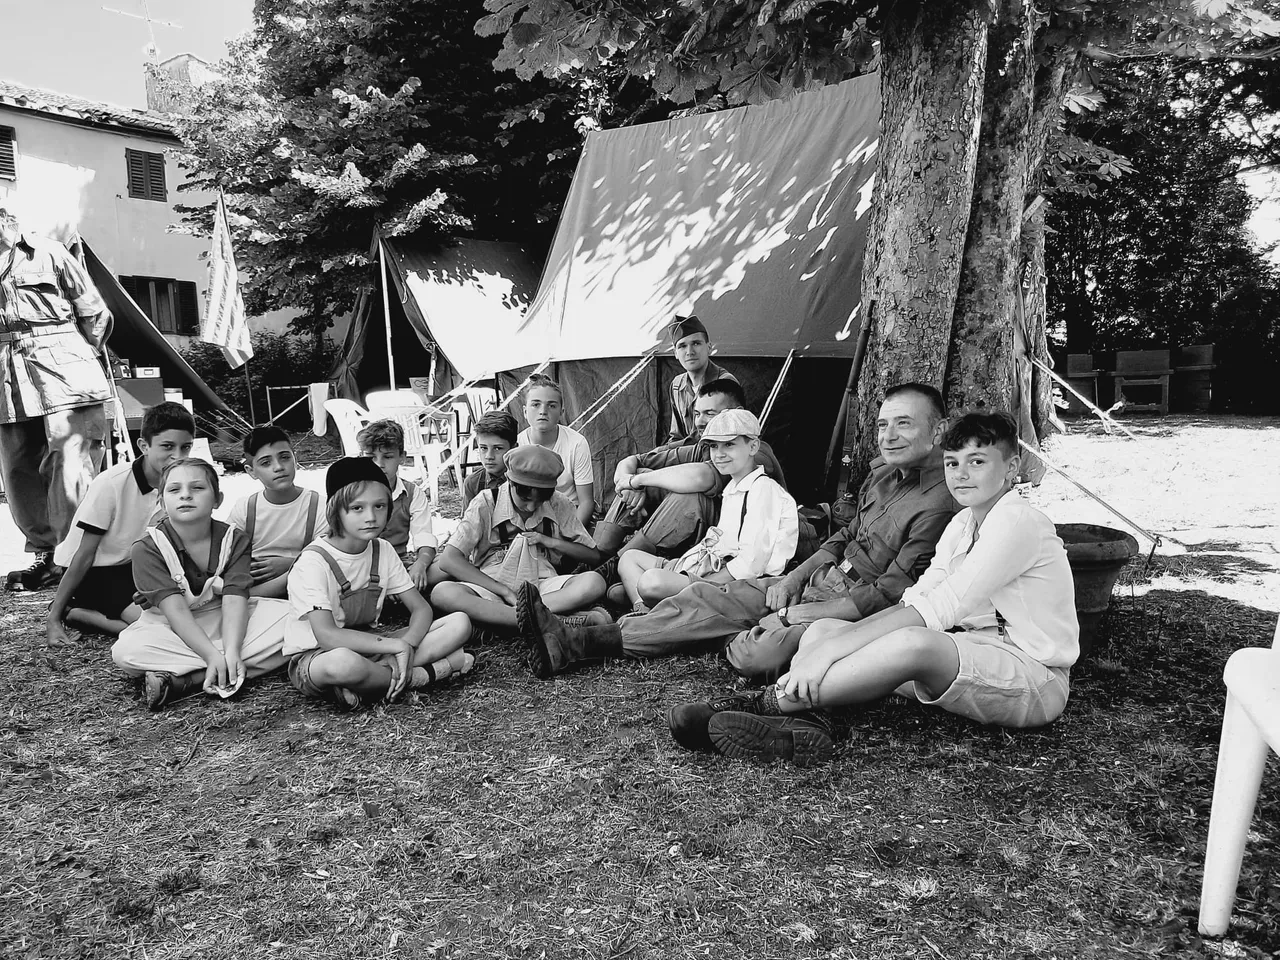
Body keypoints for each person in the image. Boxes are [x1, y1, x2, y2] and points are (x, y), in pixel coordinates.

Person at [669, 411, 1080, 767]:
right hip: (968, 653)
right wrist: (833, 641)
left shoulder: (1018, 521)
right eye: (953, 463)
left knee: (912, 643)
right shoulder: (963, 523)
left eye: (977, 461)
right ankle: (811, 721)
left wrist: (831, 653)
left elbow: (939, 609)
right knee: (824, 629)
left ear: (1011, 467)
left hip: (1032, 678)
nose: (961, 475)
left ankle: (767, 703)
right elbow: (919, 596)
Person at [515, 383, 958, 681]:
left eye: (904, 423)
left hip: (851, 608)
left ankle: (714, 630)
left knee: (752, 653)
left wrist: (795, 614)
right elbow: (839, 541)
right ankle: (577, 641)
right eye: (882, 424)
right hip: (812, 582)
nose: (888, 435)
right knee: (706, 598)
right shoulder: (880, 478)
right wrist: (793, 581)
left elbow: (890, 593)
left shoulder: (941, 501)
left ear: (938, 430)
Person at [283, 458, 473, 709]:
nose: (371, 517)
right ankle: (429, 673)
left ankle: (369, 682)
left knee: (459, 623)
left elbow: (421, 609)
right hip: (318, 656)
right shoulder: (313, 562)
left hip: (370, 645)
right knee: (343, 663)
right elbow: (327, 636)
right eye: (357, 508)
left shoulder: (381, 549)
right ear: (335, 510)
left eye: (379, 506)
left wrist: (407, 646)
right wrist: (395, 646)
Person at [109, 459, 292, 711]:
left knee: (298, 622)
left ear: (217, 499)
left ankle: (188, 679)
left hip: (226, 618)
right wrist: (212, 655)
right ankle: (224, 667)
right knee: (127, 652)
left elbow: (235, 598)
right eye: (174, 490)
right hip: (171, 627)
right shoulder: (147, 548)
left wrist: (232, 649)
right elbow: (176, 613)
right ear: (162, 502)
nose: (185, 495)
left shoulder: (234, 539)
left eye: (197, 488)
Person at [0, 203, 115, 593]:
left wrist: (74, 355)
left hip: (65, 370)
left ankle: (81, 555)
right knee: (18, 468)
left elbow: (95, 313)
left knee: (71, 463)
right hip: (6, 378)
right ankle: (47, 558)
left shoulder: (49, 253)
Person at [616, 409, 798, 612]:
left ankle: (656, 605)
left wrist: (700, 583)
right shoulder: (732, 488)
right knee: (629, 558)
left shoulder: (762, 489)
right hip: (708, 567)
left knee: (650, 582)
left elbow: (750, 566)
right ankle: (643, 610)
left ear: (753, 446)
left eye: (729, 444)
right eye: (713, 446)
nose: (719, 454)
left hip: (739, 585)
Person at [45, 402, 194, 643]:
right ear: (144, 446)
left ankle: (89, 612)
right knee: (158, 628)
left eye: (185, 447)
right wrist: (53, 619)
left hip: (133, 566)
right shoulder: (112, 483)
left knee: (182, 617)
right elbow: (84, 554)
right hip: (94, 571)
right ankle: (74, 612)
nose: (177, 456)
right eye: (167, 446)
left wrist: (155, 584)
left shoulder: (182, 482)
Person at [594, 378, 786, 559]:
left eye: (710, 413)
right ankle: (598, 555)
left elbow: (701, 478)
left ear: (736, 412)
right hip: (713, 533)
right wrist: (631, 483)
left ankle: (616, 566)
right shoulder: (701, 446)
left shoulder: (755, 452)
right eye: (696, 414)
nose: (700, 421)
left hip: (745, 545)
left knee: (689, 495)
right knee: (643, 475)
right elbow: (632, 460)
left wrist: (637, 481)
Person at [431, 445, 608, 636]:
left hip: (542, 586)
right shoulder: (486, 502)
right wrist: (504, 591)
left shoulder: (558, 502)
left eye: (539, 501)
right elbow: (449, 559)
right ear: (510, 482)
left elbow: (593, 555)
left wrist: (551, 542)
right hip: (492, 585)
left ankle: (505, 621)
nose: (531, 507)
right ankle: (555, 621)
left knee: (594, 582)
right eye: (524, 499)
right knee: (443, 592)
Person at [227, 425, 327, 599]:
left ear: (295, 459)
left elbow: (327, 559)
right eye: (266, 463)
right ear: (251, 472)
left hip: (305, 587)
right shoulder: (245, 508)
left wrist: (290, 564)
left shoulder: (320, 505)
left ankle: (244, 597)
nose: (279, 467)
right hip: (254, 580)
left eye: (285, 458)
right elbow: (226, 555)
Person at [357, 419, 437, 590]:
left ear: (402, 457)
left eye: (387, 457)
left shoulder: (412, 493)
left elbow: (423, 536)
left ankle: (399, 586)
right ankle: (395, 588)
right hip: (361, 565)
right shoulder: (352, 493)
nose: (379, 464)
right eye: (371, 457)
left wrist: (421, 564)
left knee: (445, 563)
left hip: (399, 562)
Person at [516, 374, 594, 527]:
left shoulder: (577, 443)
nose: (543, 411)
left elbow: (586, 502)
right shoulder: (517, 444)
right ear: (525, 411)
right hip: (527, 518)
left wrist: (568, 536)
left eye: (551, 405)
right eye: (536, 405)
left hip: (568, 517)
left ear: (562, 412)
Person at [666, 315, 739, 444]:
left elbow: (730, 439)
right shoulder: (677, 385)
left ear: (709, 347)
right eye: (682, 346)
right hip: (687, 457)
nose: (690, 352)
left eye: (696, 343)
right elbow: (676, 436)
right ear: (675, 353)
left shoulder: (725, 383)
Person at [461, 410, 518, 511]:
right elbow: (468, 524)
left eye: (497, 448)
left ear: (513, 449)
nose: (489, 456)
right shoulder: (473, 483)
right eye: (483, 448)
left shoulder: (525, 481)